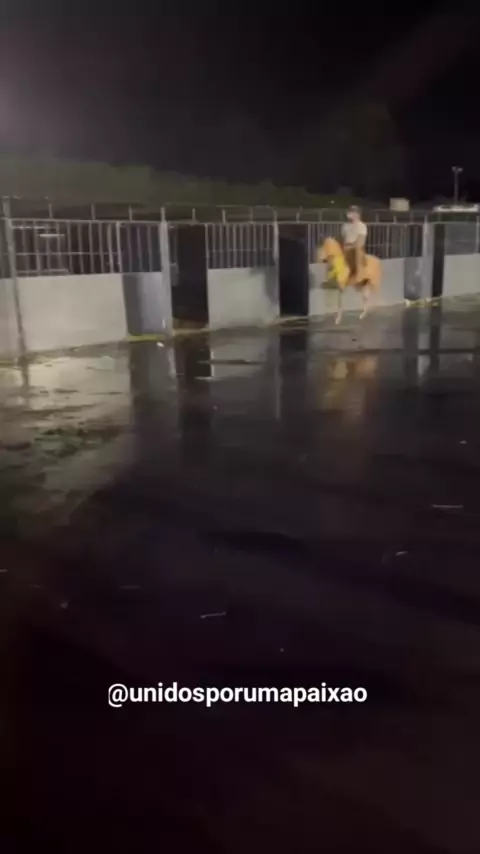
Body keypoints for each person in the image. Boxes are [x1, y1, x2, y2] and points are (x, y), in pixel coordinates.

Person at [341, 206, 367, 283]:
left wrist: (350, 245)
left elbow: (360, 242)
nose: (349, 213)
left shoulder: (361, 226)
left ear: (357, 214)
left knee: (358, 248)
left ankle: (359, 274)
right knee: (329, 242)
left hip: (355, 249)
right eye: (349, 211)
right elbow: (343, 240)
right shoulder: (345, 226)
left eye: (352, 211)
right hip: (346, 249)